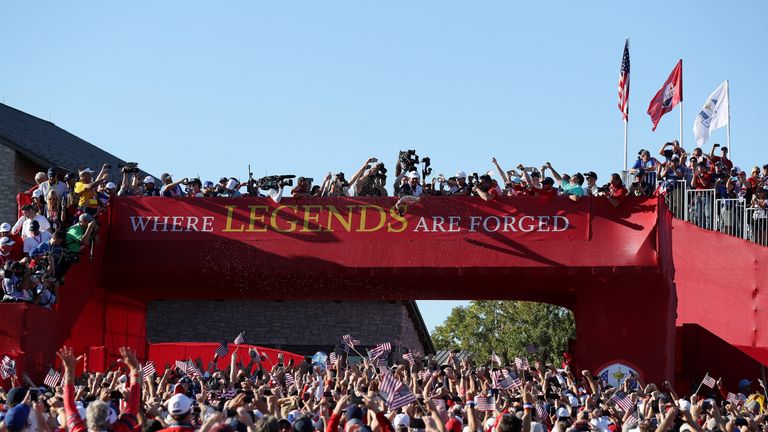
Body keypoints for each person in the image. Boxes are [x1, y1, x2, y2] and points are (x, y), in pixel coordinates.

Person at [57, 345, 140, 432]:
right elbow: (134, 404)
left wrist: (69, 369)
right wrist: (134, 369)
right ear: (109, 422)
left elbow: (68, 404)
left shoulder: (78, 430)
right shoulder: (121, 429)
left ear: (86, 420)